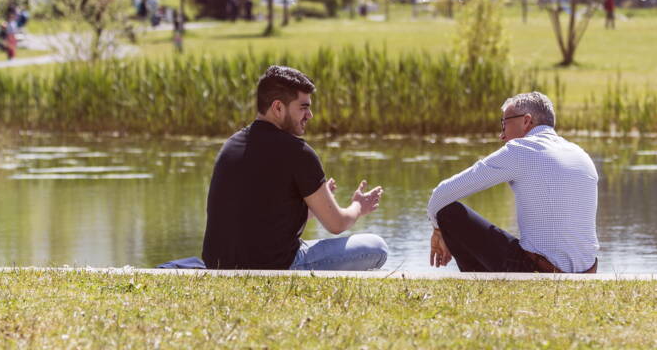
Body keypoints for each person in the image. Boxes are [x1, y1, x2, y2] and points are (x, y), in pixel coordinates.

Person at [200, 65, 388, 271]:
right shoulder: (298, 152)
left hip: (218, 266)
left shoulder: (231, 145)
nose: (310, 115)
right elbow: (337, 225)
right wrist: (359, 206)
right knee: (377, 248)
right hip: (277, 267)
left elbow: (257, 221)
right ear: (278, 108)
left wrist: (312, 209)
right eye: (303, 107)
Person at [427, 91, 598, 273]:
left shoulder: (522, 149)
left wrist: (438, 229)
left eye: (504, 123)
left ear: (526, 121)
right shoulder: (580, 154)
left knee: (448, 212)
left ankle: (478, 287)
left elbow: (440, 195)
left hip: (539, 271)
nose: (502, 135)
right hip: (588, 273)